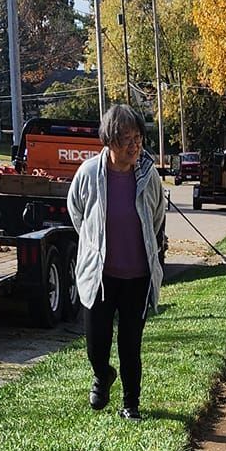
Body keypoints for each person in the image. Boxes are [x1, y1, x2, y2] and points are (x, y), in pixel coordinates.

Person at [67, 102, 166, 422]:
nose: (135, 145)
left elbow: (156, 217)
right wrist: (95, 245)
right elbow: (76, 211)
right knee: (96, 343)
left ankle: (131, 404)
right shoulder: (89, 174)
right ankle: (102, 374)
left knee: (130, 343)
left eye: (138, 137)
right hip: (101, 276)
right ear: (110, 140)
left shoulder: (148, 176)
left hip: (137, 276)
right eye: (127, 138)